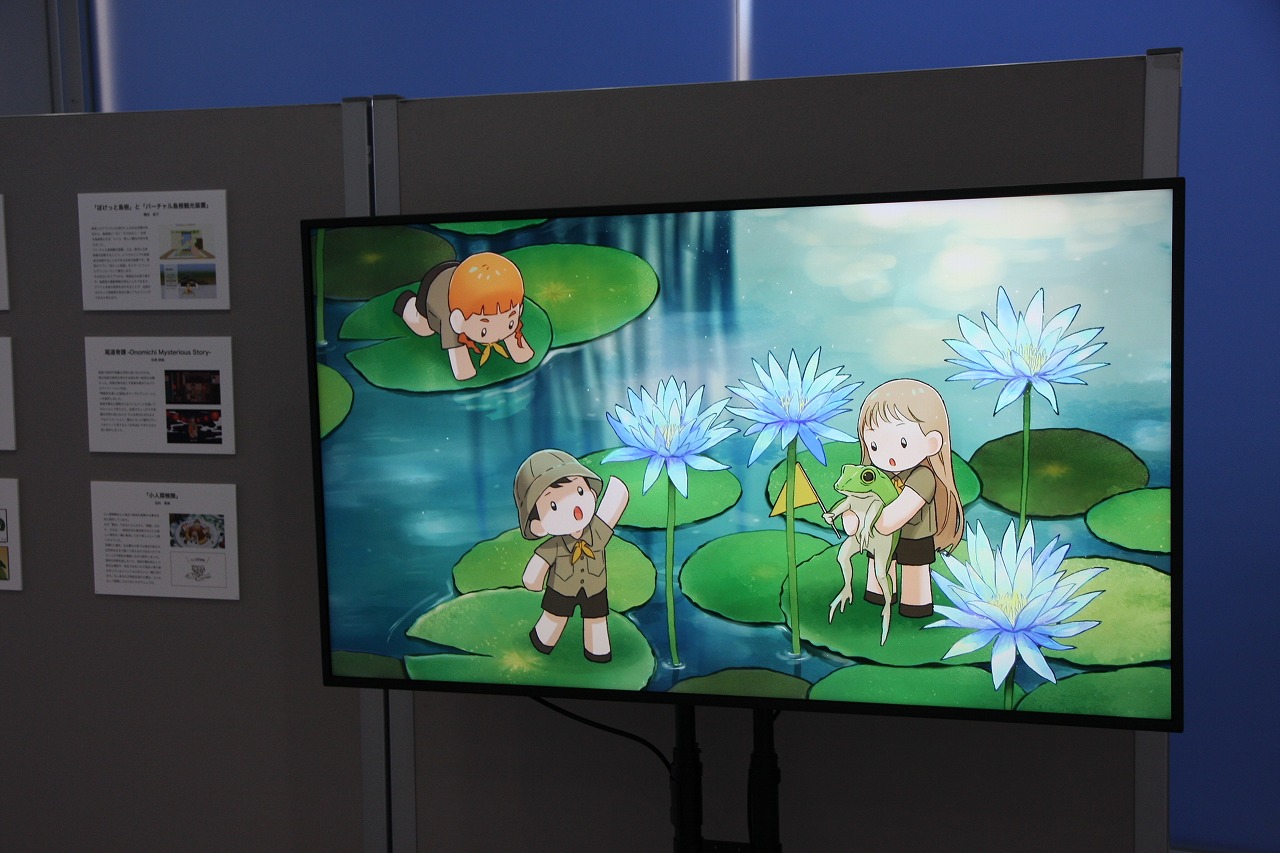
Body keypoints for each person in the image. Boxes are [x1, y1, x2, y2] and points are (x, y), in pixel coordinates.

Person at [851, 379, 963, 617]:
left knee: (915, 572)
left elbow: (892, 519)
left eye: (902, 443)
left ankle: (916, 607)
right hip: (883, 539)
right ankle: (877, 598)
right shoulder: (877, 474)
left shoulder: (923, 477)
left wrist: (864, 519)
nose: (887, 455)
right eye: (875, 445)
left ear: (932, 443)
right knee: (878, 569)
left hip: (915, 534)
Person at [514, 449, 629, 662]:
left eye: (580, 491)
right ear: (538, 526)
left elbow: (614, 506)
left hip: (595, 587)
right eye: (554, 505)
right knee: (554, 618)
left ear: (592, 493)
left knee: (597, 620)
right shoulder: (555, 546)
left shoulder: (595, 532)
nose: (575, 507)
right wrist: (534, 580)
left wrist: (617, 488)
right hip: (561, 588)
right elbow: (537, 567)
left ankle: (598, 652)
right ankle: (541, 641)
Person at [392, 252, 535, 381]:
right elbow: (463, 372)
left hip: (463, 273)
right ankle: (406, 302)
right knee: (423, 328)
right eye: (484, 331)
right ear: (458, 321)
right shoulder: (451, 319)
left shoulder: (506, 305)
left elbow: (524, 355)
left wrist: (512, 333)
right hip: (434, 286)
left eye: (510, 323)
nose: (497, 336)